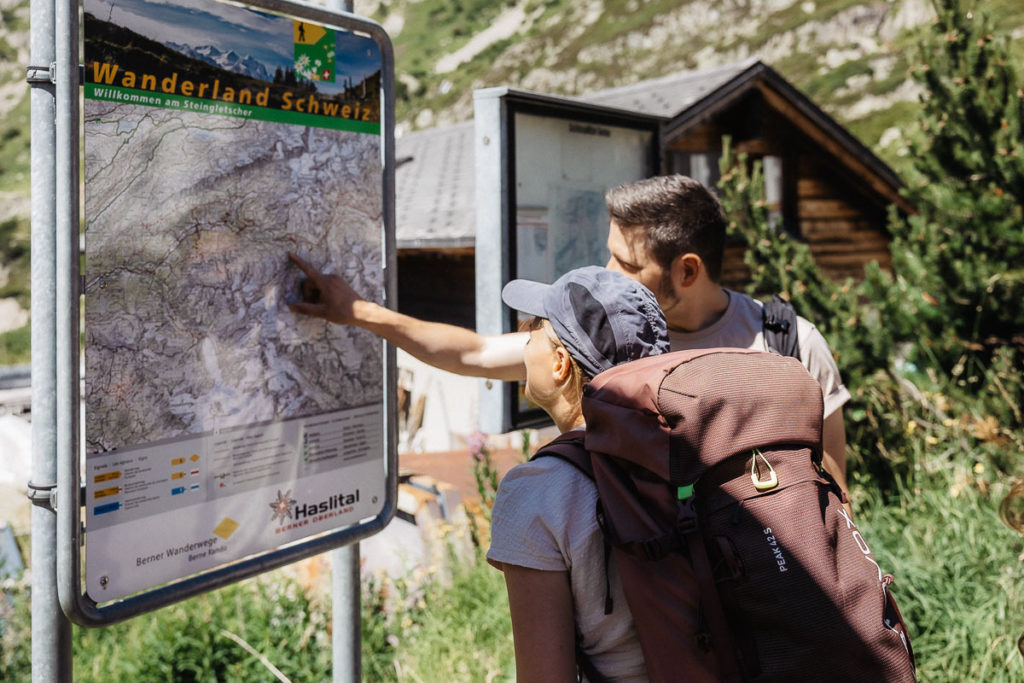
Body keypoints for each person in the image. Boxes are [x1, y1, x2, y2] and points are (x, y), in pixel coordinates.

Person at [287, 174, 852, 496]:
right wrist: (358, 311)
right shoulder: (601, 335)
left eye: (625, 263)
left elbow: (833, 502)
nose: (606, 274)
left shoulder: (791, 346)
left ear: (687, 270)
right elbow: (475, 352)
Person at [487, 265, 669, 681]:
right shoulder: (692, 449)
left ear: (560, 365)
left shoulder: (539, 492)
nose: (523, 335)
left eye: (533, 328)